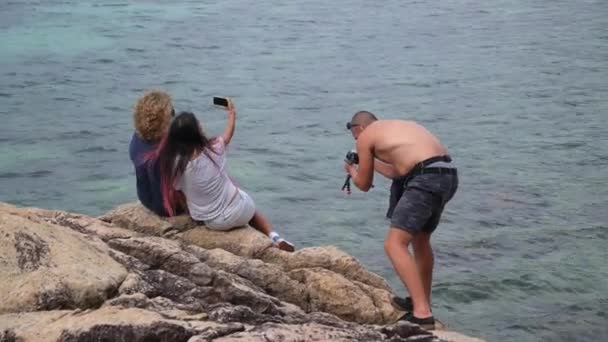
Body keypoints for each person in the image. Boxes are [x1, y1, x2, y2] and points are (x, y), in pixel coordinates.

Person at [343, 111, 458, 329]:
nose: (357, 142)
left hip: (425, 179)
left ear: (358, 128)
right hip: (446, 175)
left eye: (355, 137)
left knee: (394, 244)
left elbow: (364, 184)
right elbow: (400, 170)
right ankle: (421, 300)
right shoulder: (398, 128)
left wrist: (351, 169)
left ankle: (422, 314)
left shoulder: (366, 137)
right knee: (421, 241)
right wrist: (372, 162)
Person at [152, 99, 295, 252]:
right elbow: (228, 135)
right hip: (242, 211)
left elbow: (178, 191)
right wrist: (232, 115)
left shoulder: (176, 166)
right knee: (251, 209)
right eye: (199, 124)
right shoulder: (214, 149)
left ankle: (199, 213)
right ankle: (274, 236)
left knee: (187, 192)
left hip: (214, 223)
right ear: (197, 133)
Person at [129, 90, 183, 217]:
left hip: (145, 199)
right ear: (162, 122)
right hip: (169, 207)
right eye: (172, 113)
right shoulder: (168, 149)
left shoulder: (136, 139)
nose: (174, 116)